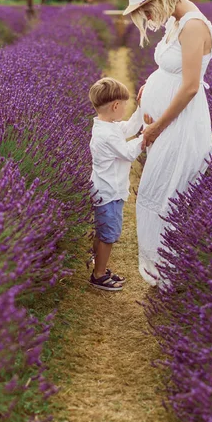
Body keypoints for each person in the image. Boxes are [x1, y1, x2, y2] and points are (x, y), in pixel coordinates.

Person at [122, 0, 212, 289]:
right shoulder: (176, 20)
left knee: (164, 198)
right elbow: (172, 68)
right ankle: (165, 274)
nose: (147, 17)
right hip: (169, 125)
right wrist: (151, 85)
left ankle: (173, 281)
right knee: (155, 194)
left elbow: (190, 87)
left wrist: (156, 127)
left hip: (182, 127)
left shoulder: (193, 25)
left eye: (146, 9)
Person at [88, 77, 151, 291]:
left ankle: (98, 265)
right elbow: (128, 152)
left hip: (103, 189)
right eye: (124, 105)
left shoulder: (107, 126)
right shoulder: (107, 134)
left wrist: (141, 108)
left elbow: (131, 126)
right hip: (109, 193)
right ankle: (98, 275)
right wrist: (145, 138)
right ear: (116, 106)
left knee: (102, 231)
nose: (125, 108)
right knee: (108, 236)